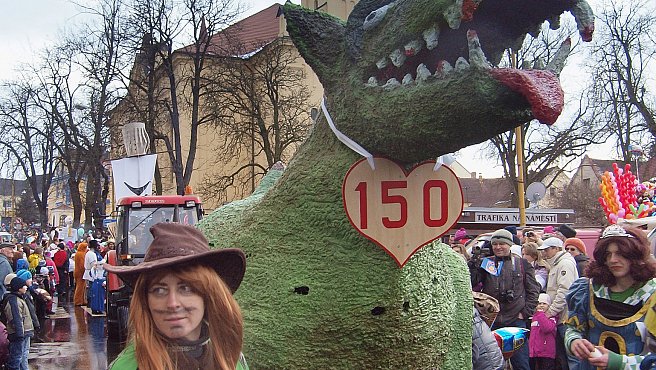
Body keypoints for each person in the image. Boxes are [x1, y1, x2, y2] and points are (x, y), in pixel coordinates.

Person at [106, 223, 249, 370]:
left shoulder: (230, 360)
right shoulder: (126, 367)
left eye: (186, 288)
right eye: (159, 290)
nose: (172, 303)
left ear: (208, 296)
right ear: (146, 301)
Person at [565, 225, 656, 370]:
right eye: (608, 254)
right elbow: (573, 328)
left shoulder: (653, 294)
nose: (613, 260)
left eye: (621, 253)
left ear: (635, 255)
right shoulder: (588, 289)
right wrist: (574, 341)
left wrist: (619, 362)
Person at [469, 228, 541, 370]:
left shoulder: (522, 264)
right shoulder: (486, 263)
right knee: (492, 364)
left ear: (509, 244)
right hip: (492, 320)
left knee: (521, 364)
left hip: (515, 320)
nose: (497, 247)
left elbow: (534, 290)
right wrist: (473, 267)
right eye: (494, 244)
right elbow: (473, 283)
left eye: (501, 243)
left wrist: (525, 313)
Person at [539, 237, 579, 370]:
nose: (544, 253)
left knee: (570, 356)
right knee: (563, 357)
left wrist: (550, 312)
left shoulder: (564, 264)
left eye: (547, 249)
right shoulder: (558, 263)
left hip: (565, 317)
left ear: (556, 249)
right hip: (561, 316)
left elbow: (564, 291)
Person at [3, 277, 34, 370]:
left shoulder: (19, 298)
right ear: (18, 288)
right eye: (24, 286)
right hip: (19, 334)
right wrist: (19, 334)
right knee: (17, 357)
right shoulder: (14, 300)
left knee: (23, 355)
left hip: (23, 333)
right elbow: (15, 318)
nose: (26, 287)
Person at [530, 293, 558, 370]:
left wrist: (541, 314)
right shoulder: (534, 317)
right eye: (539, 303)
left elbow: (547, 328)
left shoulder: (552, 317)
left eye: (544, 303)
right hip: (535, 353)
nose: (541, 305)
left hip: (547, 353)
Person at [73, 241, 88, 306]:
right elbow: (82, 265)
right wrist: (85, 271)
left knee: (82, 287)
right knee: (80, 287)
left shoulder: (78, 253)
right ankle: (78, 301)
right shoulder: (81, 254)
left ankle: (81, 300)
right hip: (80, 273)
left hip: (77, 271)